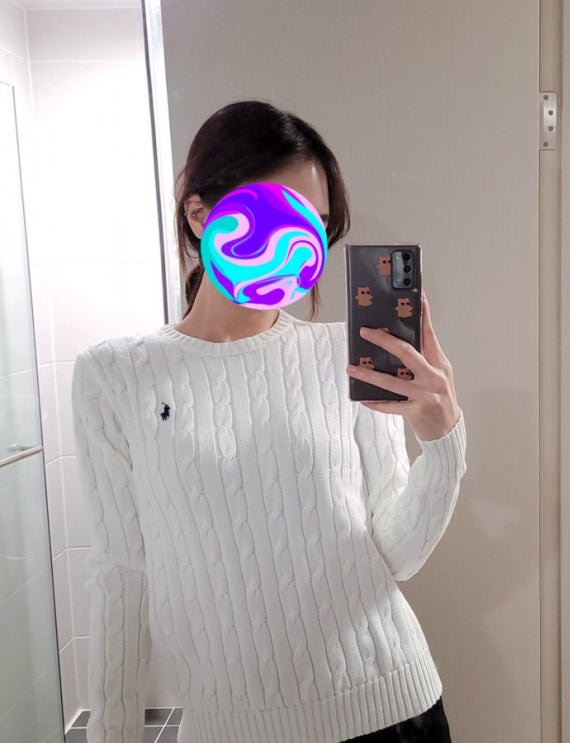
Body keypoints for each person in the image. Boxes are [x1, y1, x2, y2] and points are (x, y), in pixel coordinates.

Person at [71, 100, 466, 743]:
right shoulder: (114, 375)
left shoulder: (340, 354)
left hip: (388, 711)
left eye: (316, 224)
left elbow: (398, 554)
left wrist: (442, 440)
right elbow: (121, 574)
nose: (297, 244)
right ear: (200, 214)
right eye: (280, 215)